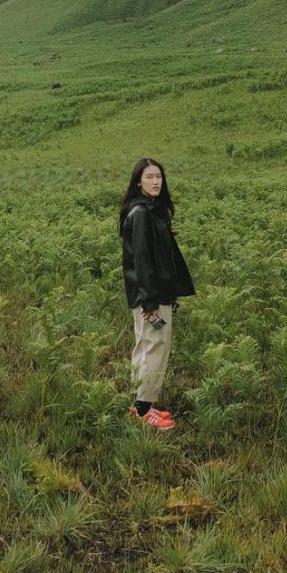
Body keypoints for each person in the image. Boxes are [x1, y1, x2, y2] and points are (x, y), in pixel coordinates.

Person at [119, 157, 195, 430]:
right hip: (151, 297)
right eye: (149, 177)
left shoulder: (150, 211)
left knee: (145, 347)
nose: (156, 181)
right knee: (154, 348)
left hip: (152, 294)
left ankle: (141, 406)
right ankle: (143, 411)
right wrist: (150, 302)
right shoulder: (140, 214)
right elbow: (141, 261)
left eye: (159, 177)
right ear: (138, 181)